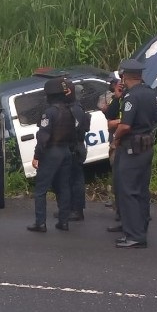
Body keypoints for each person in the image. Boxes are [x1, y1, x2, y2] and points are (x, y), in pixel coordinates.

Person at [110, 59, 157, 248]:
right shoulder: (151, 92)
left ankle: (135, 236)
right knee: (141, 190)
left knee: (128, 191)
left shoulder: (131, 96)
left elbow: (125, 126)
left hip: (131, 147)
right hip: (146, 145)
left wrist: (115, 138)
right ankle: (140, 227)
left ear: (124, 76)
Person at [26, 77, 75, 232]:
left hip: (52, 152)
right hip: (66, 151)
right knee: (64, 187)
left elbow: (43, 137)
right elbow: (74, 134)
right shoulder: (69, 111)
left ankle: (40, 222)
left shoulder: (49, 113)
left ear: (49, 95)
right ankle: (64, 221)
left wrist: (37, 156)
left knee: (41, 189)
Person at [54, 82, 92, 221]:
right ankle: (68, 208)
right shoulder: (68, 107)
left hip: (74, 148)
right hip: (68, 147)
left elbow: (74, 130)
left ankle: (77, 210)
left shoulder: (75, 108)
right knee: (66, 180)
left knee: (75, 180)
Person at [103, 77, 124, 228]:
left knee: (125, 182)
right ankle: (120, 212)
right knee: (117, 178)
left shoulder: (135, 98)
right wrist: (117, 98)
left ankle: (131, 215)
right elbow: (109, 114)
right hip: (116, 142)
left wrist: (118, 123)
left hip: (125, 143)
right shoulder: (117, 98)